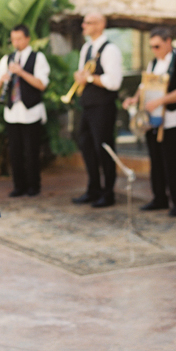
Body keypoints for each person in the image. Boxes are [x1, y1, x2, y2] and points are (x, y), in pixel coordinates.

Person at [124, 27, 176, 216]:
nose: (154, 50)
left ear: (168, 42)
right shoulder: (153, 63)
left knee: (172, 162)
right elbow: (144, 86)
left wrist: (160, 101)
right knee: (156, 160)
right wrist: (134, 99)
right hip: (153, 120)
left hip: (172, 120)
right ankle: (159, 198)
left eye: (157, 46)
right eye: (151, 47)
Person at [0, 24, 50, 197]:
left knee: (31, 151)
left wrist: (21, 72)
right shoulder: (7, 59)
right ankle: (19, 186)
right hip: (12, 113)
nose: (15, 43)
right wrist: (3, 79)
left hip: (31, 112)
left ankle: (34, 186)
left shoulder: (38, 57)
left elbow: (42, 84)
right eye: (13, 39)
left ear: (27, 39)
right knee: (15, 152)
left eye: (19, 39)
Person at [71, 13, 123, 208]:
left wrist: (90, 78)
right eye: (84, 22)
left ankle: (108, 193)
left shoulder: (110, 50)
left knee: (104, 148)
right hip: (87, 105)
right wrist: (80, 77)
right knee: (86, 145)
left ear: (101, 25)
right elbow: (83, 73)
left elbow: (114, 82)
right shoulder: (86, 48)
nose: (83, 25)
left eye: (88, 22)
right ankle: (93, 188)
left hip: (103, 106)